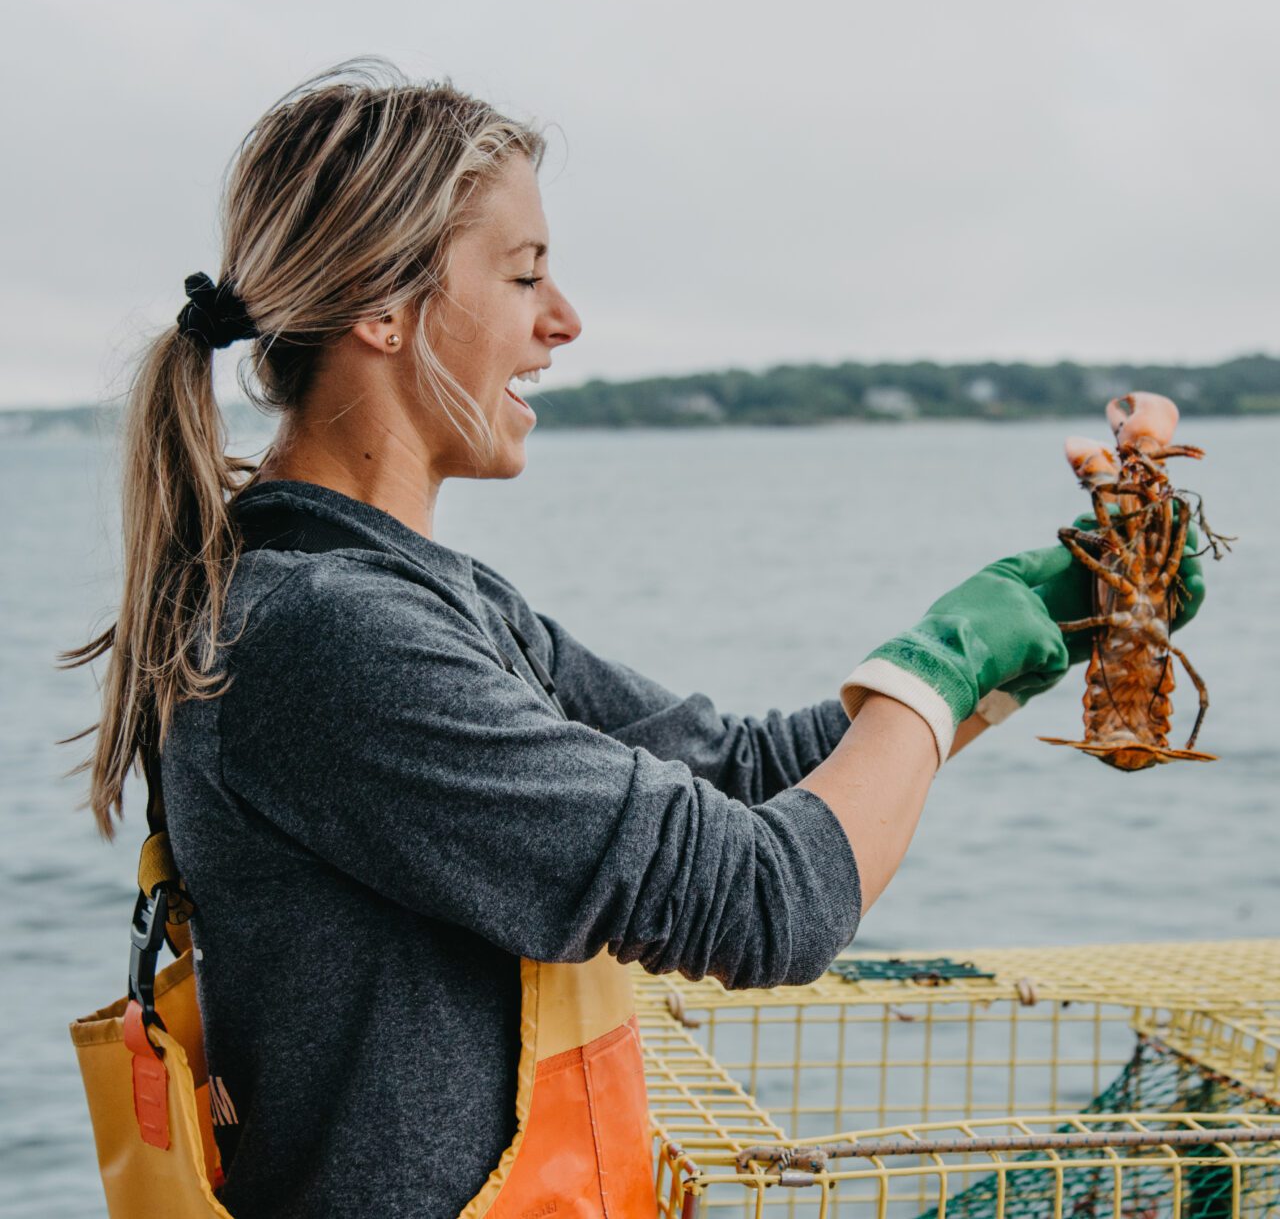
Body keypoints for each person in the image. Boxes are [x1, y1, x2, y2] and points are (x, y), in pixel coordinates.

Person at [68, 60, 1202, 1219]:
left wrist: (1036, 623)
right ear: (383, 306)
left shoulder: (416, 597)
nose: (563, 320)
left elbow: (751, 772)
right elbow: (768, 897)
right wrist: (945, 660)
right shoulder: (325, 639)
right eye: (524, 275)